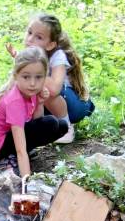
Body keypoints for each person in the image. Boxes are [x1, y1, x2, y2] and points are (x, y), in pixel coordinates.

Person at [0, 46, 69, 177]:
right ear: (16, 76)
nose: (32, 83)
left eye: (38, 77)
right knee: (51, 123)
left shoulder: (30, 90)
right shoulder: (14, 101)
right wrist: (27, 180)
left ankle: (17, 153)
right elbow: (21, 150)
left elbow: (37, 123)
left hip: (8, 136)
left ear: (45, 77)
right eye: (26, 77)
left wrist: (40, 103)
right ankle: (4, 160)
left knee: (61, 126)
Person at [7, 13, 94, 143]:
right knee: (25, 85)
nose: (30, 39)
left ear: (50, 45)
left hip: (74, 107)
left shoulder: (58, 56)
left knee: (43, 89)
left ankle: (66, 129)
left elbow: (54, 89)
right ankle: (34, 128)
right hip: (51, 108)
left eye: (39, 37)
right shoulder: (31, 56)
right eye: (29, 32)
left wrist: (33, 68)